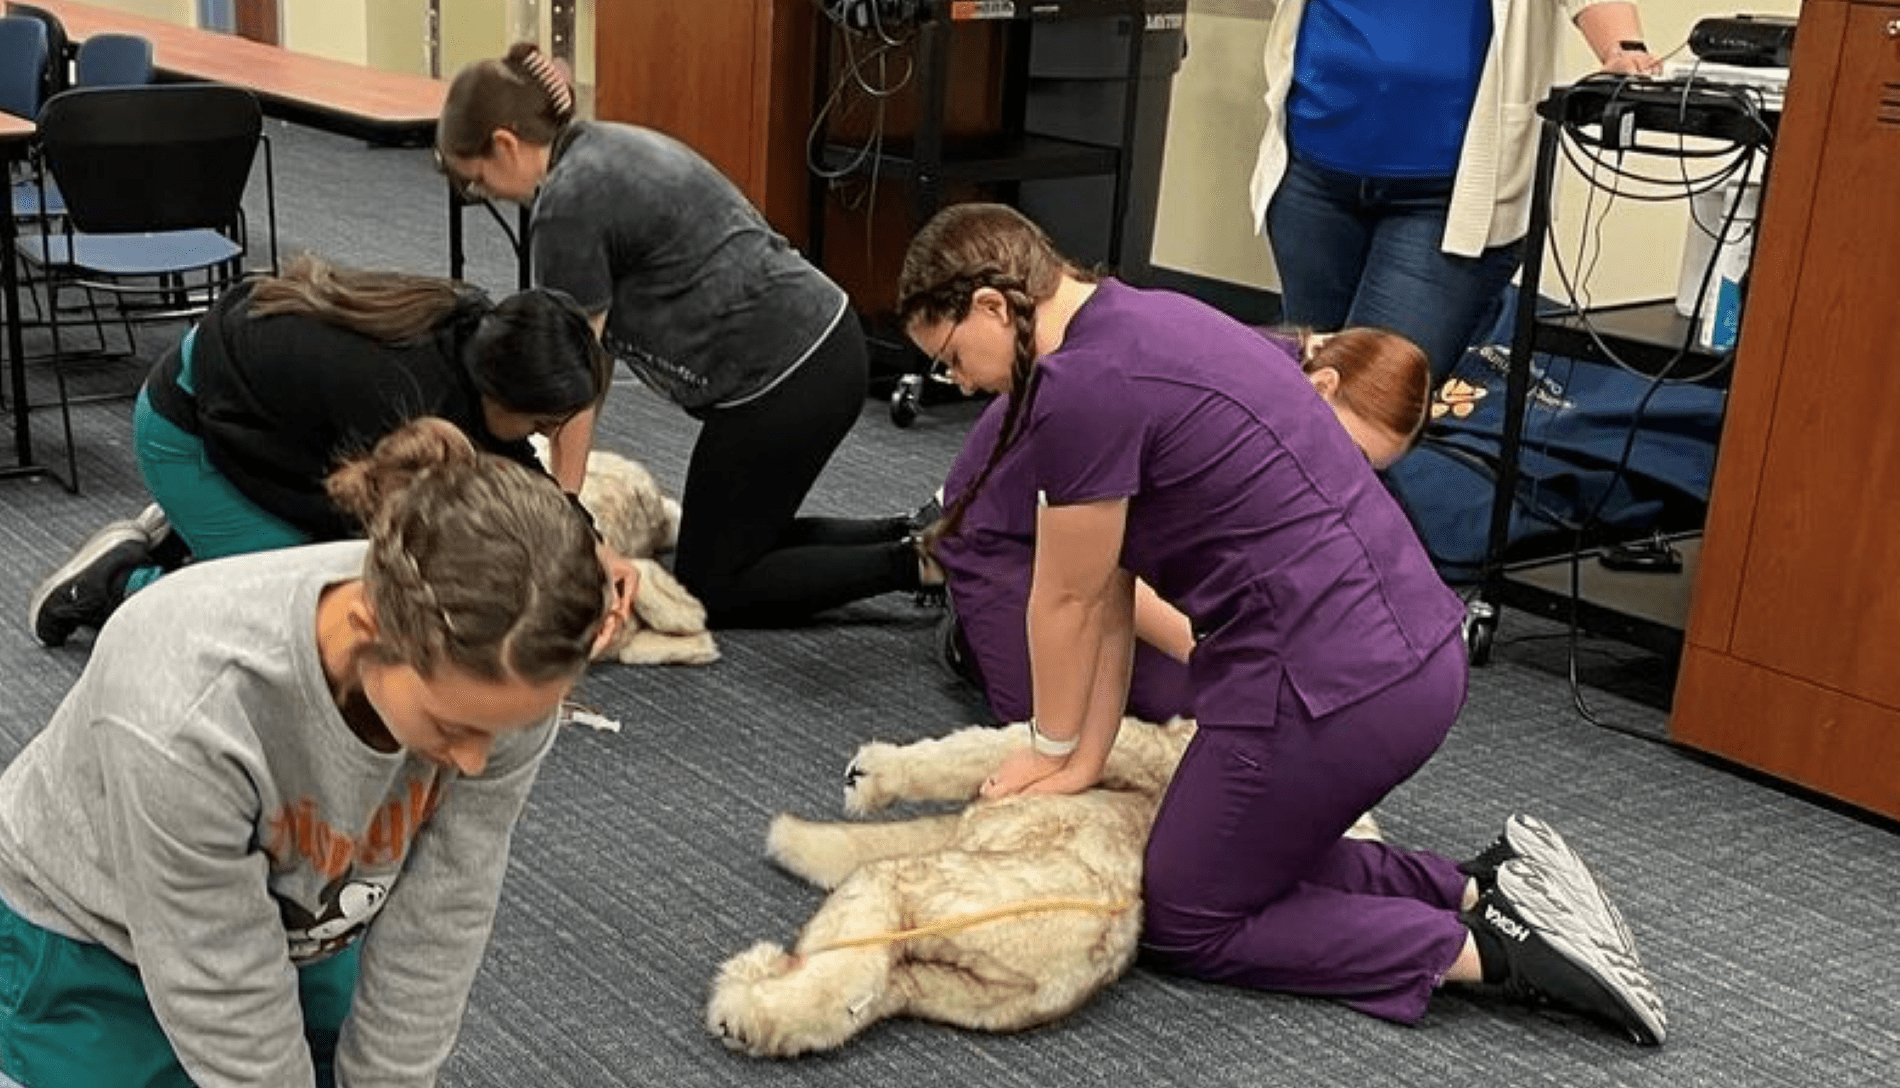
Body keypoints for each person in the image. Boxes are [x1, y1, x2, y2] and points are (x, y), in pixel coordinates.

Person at [895, 203, 1666, 1044]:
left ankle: (1496, 952)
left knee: (1187, 914)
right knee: (1215, 849)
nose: (961, 383)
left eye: (949, 358)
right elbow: (1112, 588)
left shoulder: (1083, 384)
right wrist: (1081, 758)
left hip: (1333, 689)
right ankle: (1483, 885)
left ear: (992, 309)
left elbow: (1067, 598)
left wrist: (1043, 745)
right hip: (1407, 654)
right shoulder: (1148, 314)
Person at [0, 417, 616, 1086]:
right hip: (89, 930)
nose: (473, 763)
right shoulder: (184, 706)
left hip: (301, 909)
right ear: (368, 627)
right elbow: (218, 975)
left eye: (498, 732)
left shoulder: (512, 674)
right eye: (451, 727)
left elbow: (444, 914)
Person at [435, 43, 935, 628]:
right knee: (731, 541)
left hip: (785, 376)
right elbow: (585, 365)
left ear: (504, 144)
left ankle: (919, 565)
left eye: (477, 180)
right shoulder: (598, 150)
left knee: (713, 585)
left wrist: (564, 508)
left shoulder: (569, 205)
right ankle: (913, 532)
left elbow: (573, 376)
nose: (483, 193)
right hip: (819, 345)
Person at [27, 254, 617, 649]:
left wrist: (587, 542)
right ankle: (115, 583)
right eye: (541, 421)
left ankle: (199, 530)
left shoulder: (477, 336)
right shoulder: (405, 397)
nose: (541, 435)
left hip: (255, 422)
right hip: (185, 437)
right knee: (308, 618)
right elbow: (403, 547)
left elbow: (514, 463)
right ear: (502, 389)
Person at [931, 326, 1433, 724]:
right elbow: (1115, 569)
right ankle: (966, 628)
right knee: (1062, 728)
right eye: (1353, 456)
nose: (1348, 478)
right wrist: (1226, 655)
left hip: (1096, 521)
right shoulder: (1229, 423)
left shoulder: (1294, 387)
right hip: (1009, 530)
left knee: (1222, 700)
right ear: (1323, 387)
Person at [1248, 1, 1661, 381]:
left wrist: (1622, 48)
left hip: (1447, 201)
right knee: (1305, 386)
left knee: (1369, 401)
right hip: (1312, 171)